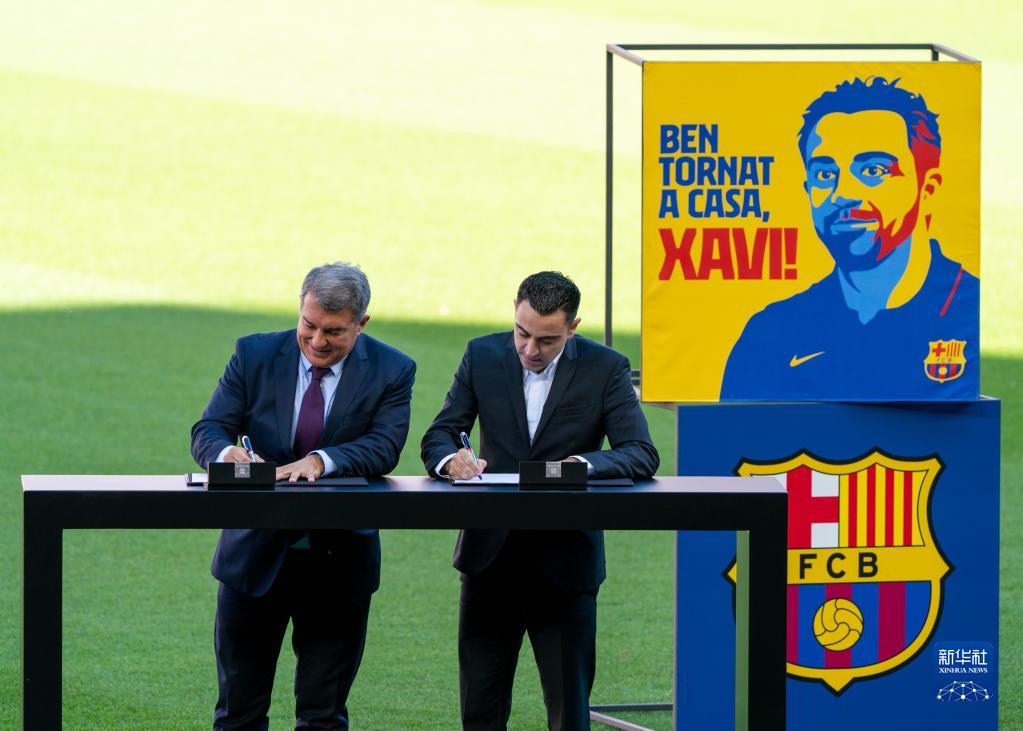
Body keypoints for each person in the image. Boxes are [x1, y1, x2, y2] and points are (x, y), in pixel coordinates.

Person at [421, 271, 659, 731]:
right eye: (522, 333)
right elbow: (440, 434)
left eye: (547, 340)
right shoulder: (482, 354)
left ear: (573, 328)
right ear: (515, 312)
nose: (530, 349)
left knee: (569, 714)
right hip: (489, 559)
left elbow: (641, 453)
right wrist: (451, 460)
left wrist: (582, 464)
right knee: (480, 713)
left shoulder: (606, 367)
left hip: (566, 564)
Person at [191, 262, 416, 730]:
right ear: (300, 308)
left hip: (340, 563)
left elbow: (385, 445)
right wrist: (228, 454)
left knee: (323, 717)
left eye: (333, 332)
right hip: (252, 558)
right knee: (237, 714)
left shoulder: (393, 369)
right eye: (309, 325)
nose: (317, 341)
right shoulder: (253, 354)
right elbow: (208, 428)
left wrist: (320, 460)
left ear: (361, 323)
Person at [720, 76, 978, 400]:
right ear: (807, 190)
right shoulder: (769, 337)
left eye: (874, 170)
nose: (843, 193)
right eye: (825, 174)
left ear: (927, 189)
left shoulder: (966, 309)